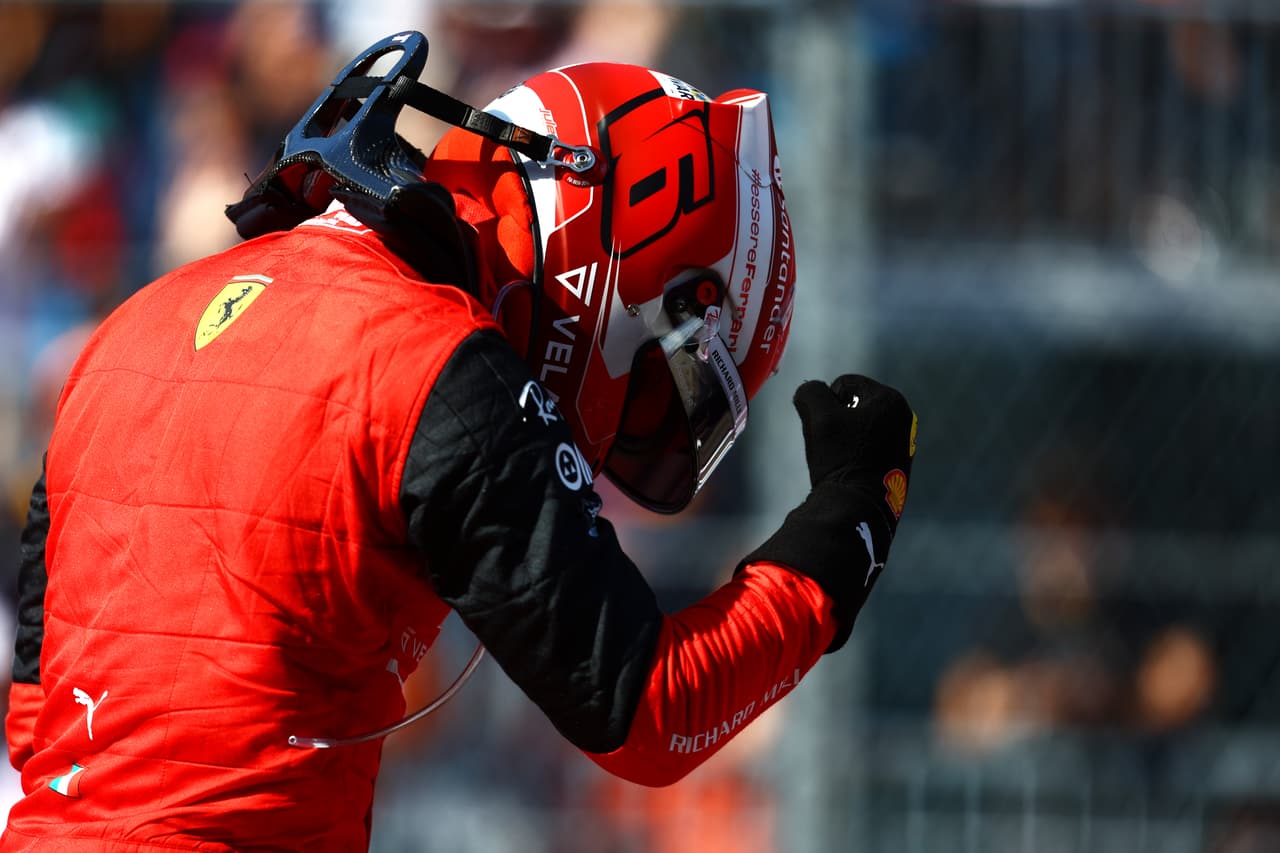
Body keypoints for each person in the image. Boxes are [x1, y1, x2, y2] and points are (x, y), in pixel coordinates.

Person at [3, 31, 917, 851]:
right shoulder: (436, 362)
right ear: (627, 243)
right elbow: (655, 709)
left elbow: (35, 712)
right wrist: (848, 520)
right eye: (668, 381)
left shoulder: (129, 328)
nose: (635, 431)